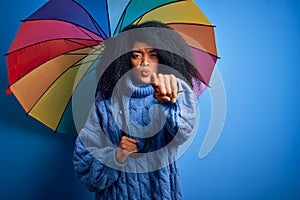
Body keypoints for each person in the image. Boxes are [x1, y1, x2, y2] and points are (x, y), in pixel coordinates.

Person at [73, 21, 200, 200]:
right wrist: (116, 155)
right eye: (136, 55)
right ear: (126, 59)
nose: (145, 63)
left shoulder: (175, 88)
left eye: (153, 55)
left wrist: (169, 104)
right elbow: (84, 168)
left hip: (161, 194)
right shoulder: (106, 101)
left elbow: (184, 134)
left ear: (163, 57)